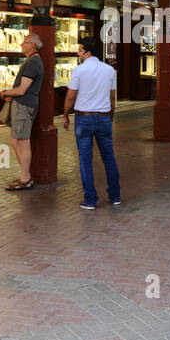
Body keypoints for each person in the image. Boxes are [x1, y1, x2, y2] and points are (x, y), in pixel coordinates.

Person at [62, 35, 120, 210]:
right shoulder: (109, 70)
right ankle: (115, 195)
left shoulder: (79, 71)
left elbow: (71, 96)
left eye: (80, 50)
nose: (78, 53)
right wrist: (111, 115)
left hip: (84, 118)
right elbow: (112, 97)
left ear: (87, 53)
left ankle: (91, 199)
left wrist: (65, 115)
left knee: (85, 159)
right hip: (103, 118)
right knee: (109, 157)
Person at [1, 32, 44, 190]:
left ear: (32, 45)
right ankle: (25, 176)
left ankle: (25, 179)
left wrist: (5, 93)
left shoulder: (33, 63)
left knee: (22, 141)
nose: (21, 45)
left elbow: (22, 90)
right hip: (22, 105)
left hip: (24, 105)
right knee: (16, 141)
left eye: (24, 42)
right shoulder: (32, 61)